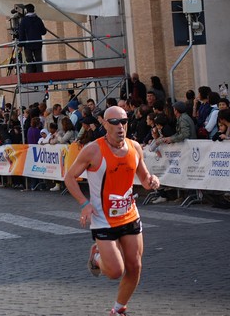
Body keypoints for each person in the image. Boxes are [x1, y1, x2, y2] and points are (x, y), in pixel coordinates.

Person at [64, 106, 161, 316]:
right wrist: (84, 203)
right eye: (115, 122)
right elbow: (69, 178)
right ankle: (96, 256)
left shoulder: (135, 147)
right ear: (105, 124)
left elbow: (144, 179)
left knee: (135, 266)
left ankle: (118, 310)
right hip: (103, 219)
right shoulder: (93, 149)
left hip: (129, 214)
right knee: (115, 272)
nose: (120, 126)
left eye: (124, 121)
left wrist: (152, 181)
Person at [18, 3, 47, 73]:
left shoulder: (24, 21)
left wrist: (20, 44)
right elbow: (44, 32)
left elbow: (21, 33)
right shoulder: (38, 20)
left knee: (29, 60)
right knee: (38, 59)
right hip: (38, 43)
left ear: (26, 11)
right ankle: (40, 73)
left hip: (28, 44)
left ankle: (29, 74)